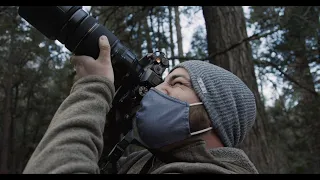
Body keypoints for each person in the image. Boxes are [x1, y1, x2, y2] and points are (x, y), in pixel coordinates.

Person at [23, 35, 259, 174]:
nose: (156, 90)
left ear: (214, 114)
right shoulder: (141, 162)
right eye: (161, 81)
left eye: (176, 83)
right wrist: (111, 118)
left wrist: (92, 87)